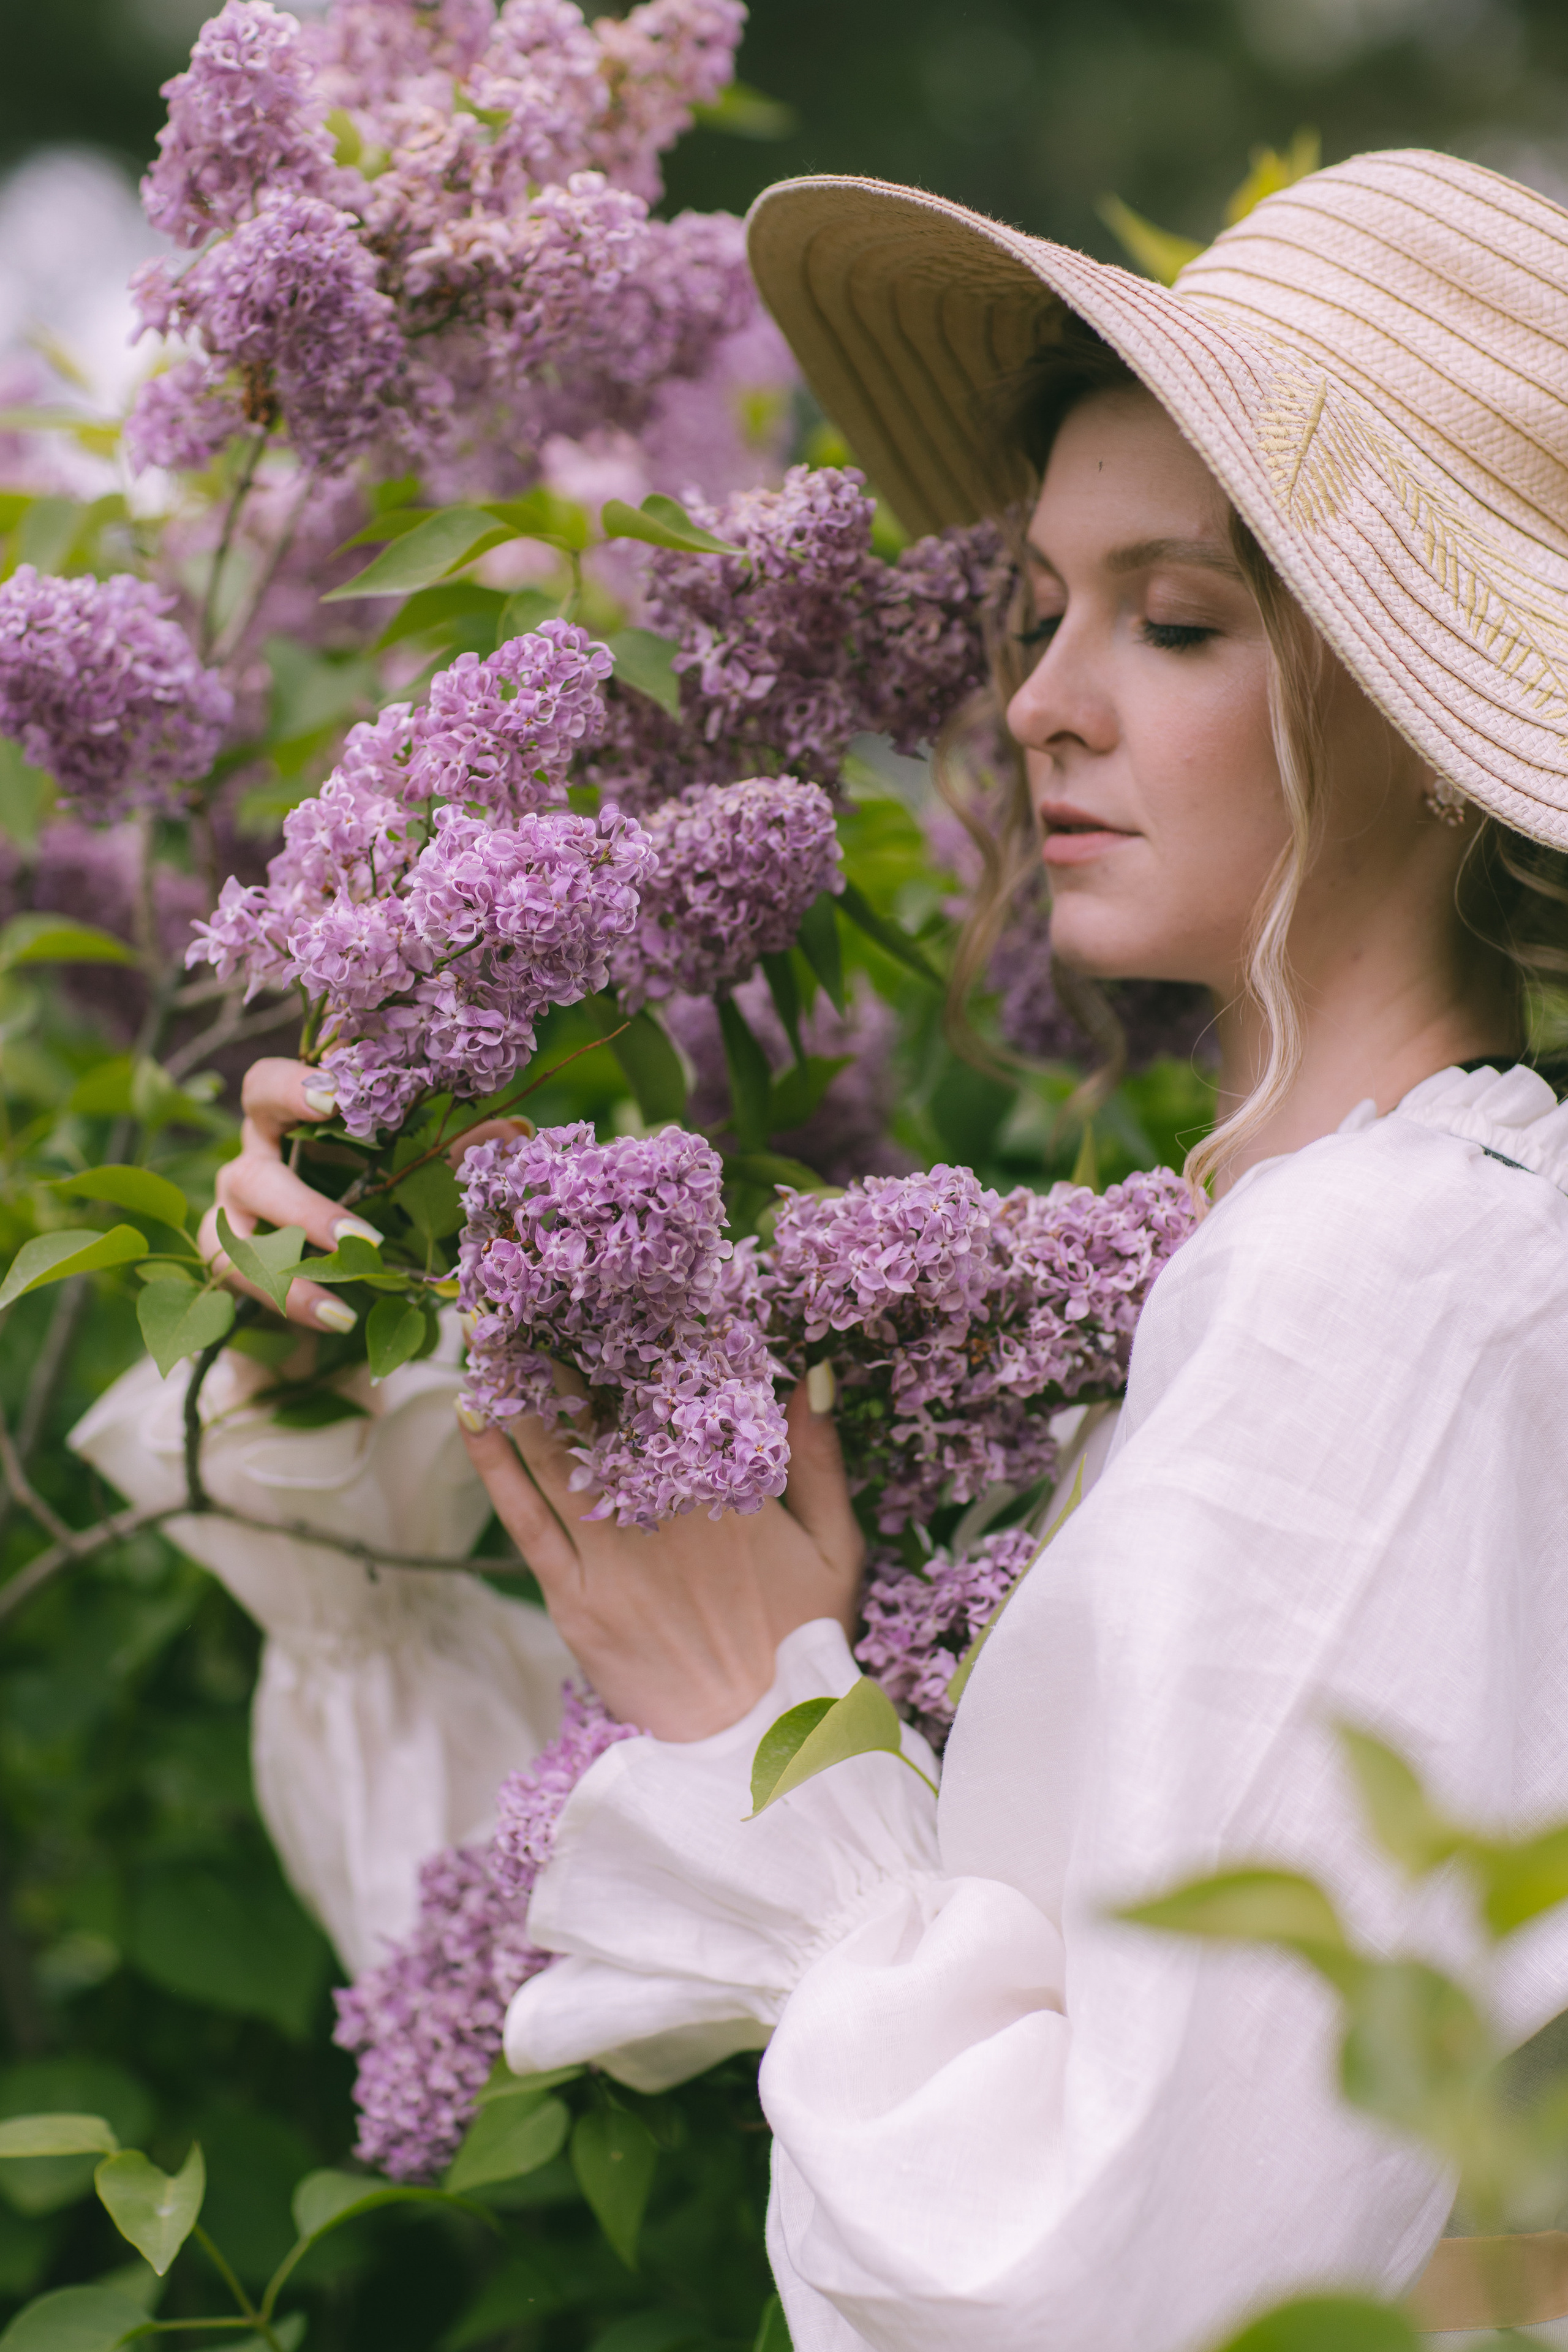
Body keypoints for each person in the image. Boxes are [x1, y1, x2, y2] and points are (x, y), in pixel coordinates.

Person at [74, 149, 1568, 2348]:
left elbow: (1107, 2287)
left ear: (1430, 719)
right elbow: (556, 1970)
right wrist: (338, 1367)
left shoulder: (1398, 1290)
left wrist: (774, 1715)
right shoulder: (1267, 1256)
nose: (1047, 697)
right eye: (1043, 605)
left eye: (1174, 620)